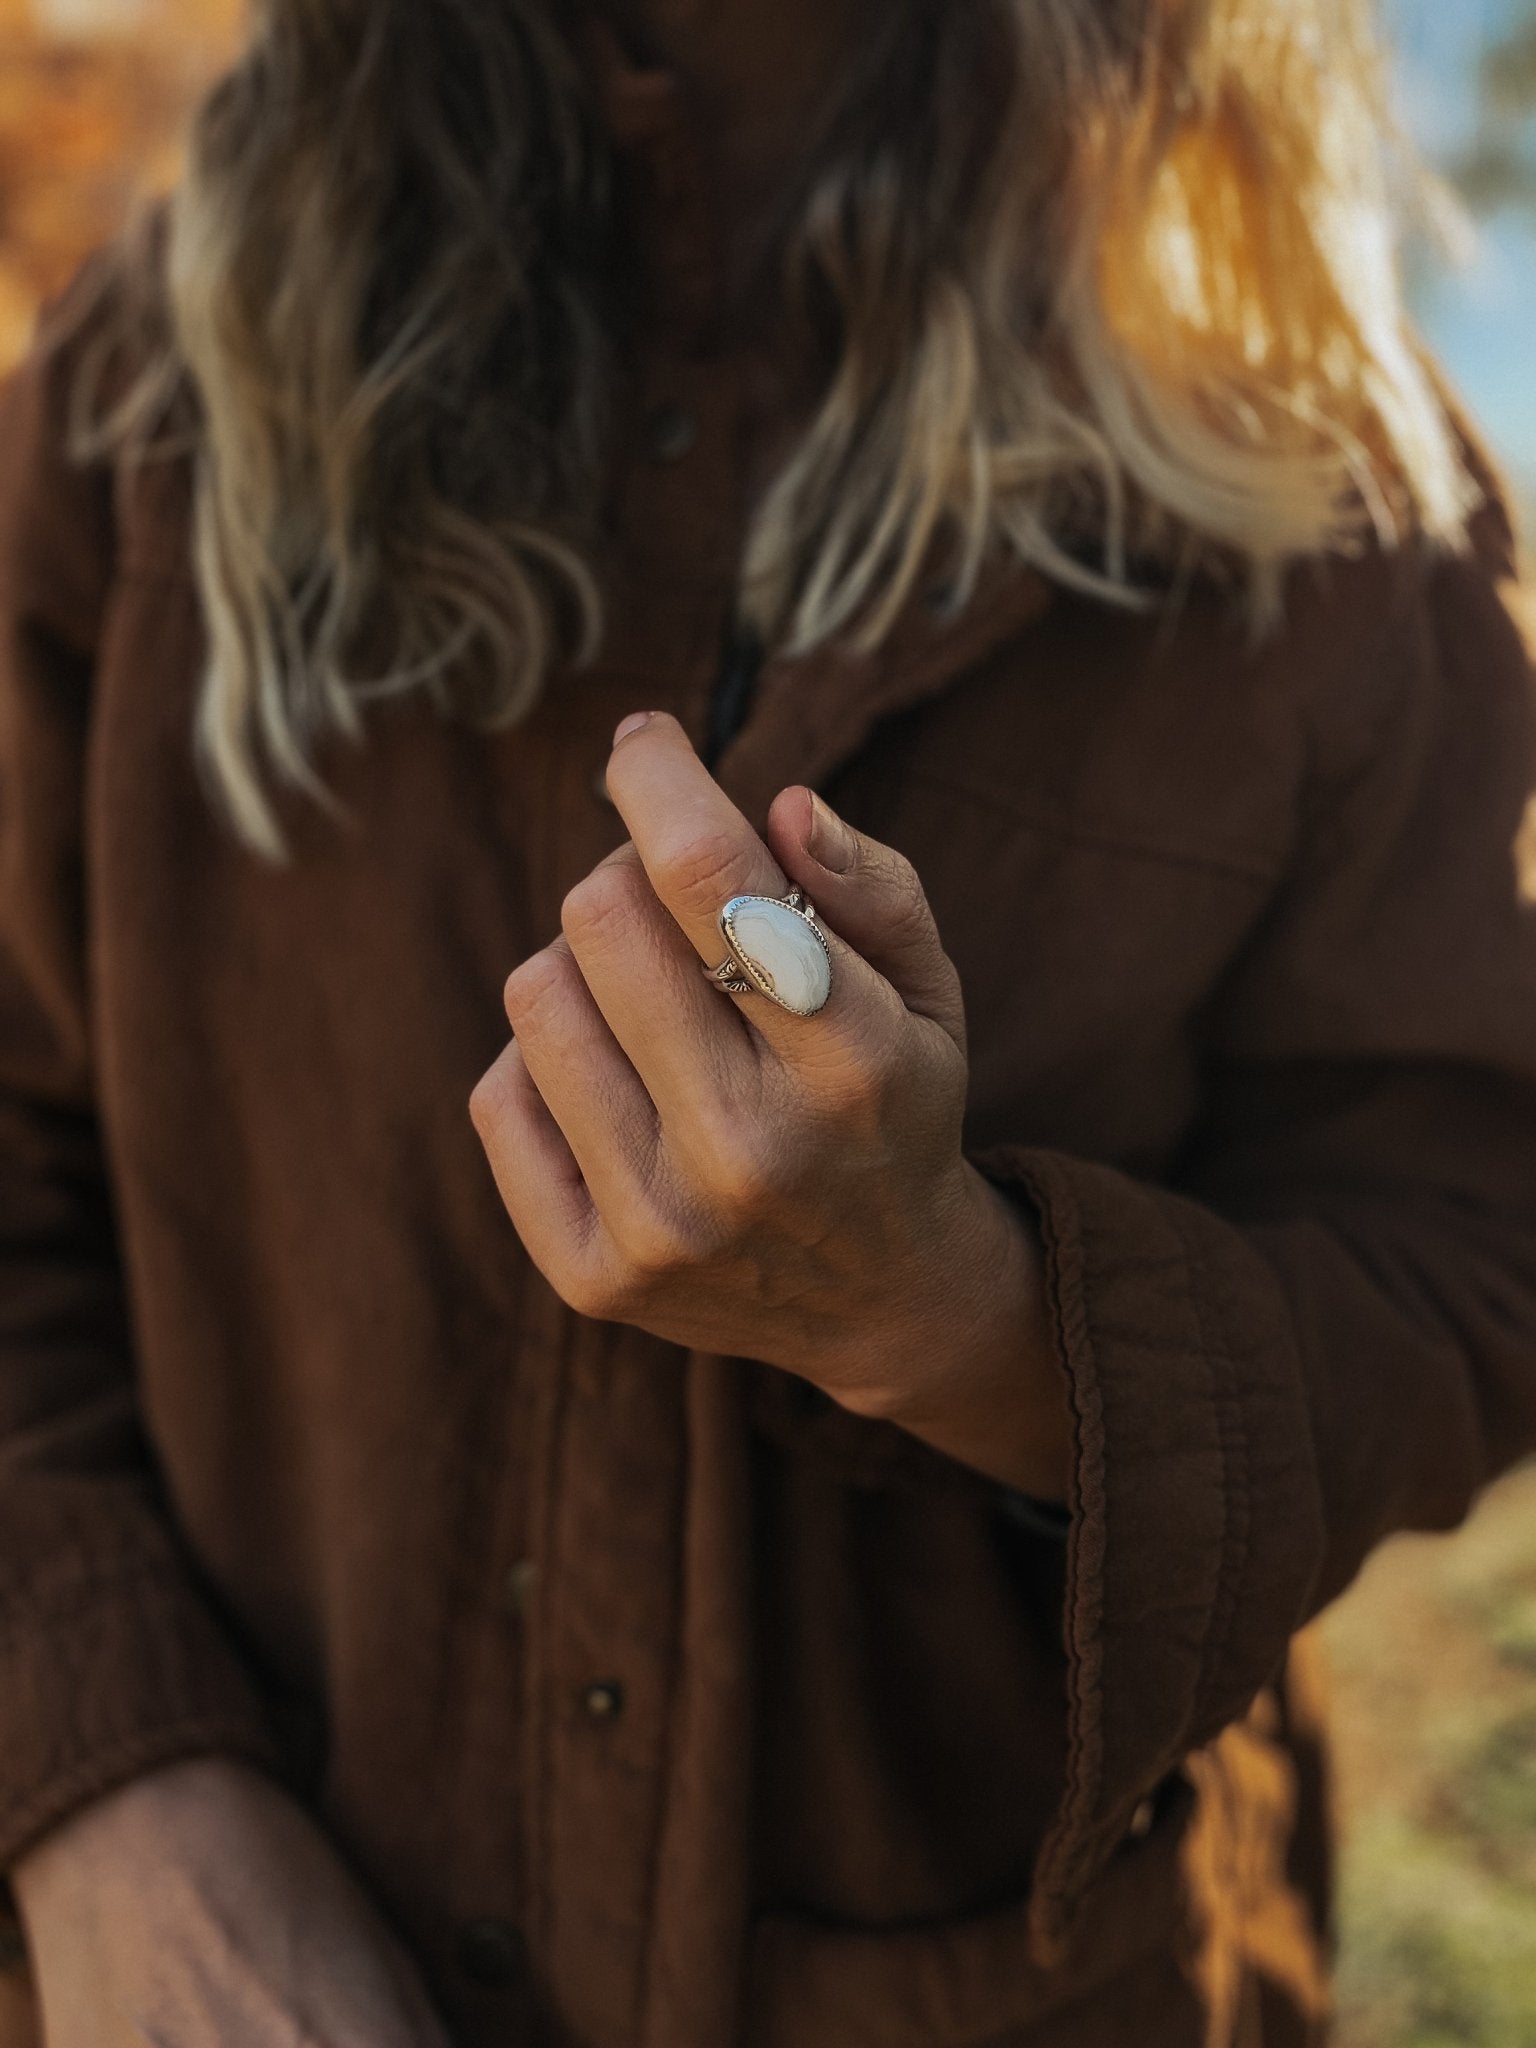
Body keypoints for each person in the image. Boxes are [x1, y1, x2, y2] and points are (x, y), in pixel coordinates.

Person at [0, 0, 1533, 2042]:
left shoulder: (1321, 485)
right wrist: (109, 1788)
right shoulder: (147, 398)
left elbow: (1470, 1254)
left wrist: (969, 1316)